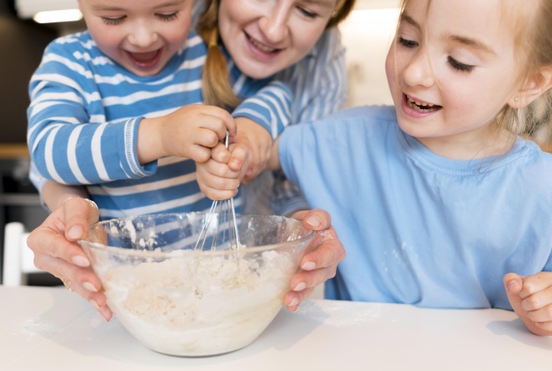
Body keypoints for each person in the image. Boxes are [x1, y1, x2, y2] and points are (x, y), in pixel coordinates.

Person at [202, 0, 552, 336]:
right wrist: (236, 152)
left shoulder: (541, 186)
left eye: (459, 62)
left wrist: (542, 310)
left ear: (529, 84)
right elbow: (257, 153)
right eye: (408, 41)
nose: (414, 73)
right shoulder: (346, 137)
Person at [26, 0, 355, 321]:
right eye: (114, 18)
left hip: (220, 290)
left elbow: (275, 93)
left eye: (168, 14)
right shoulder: (69, 61)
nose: (144, 38)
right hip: (124, 294)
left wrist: (252, 128)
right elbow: (48, 148)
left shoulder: (207, 55)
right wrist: (160, 136)